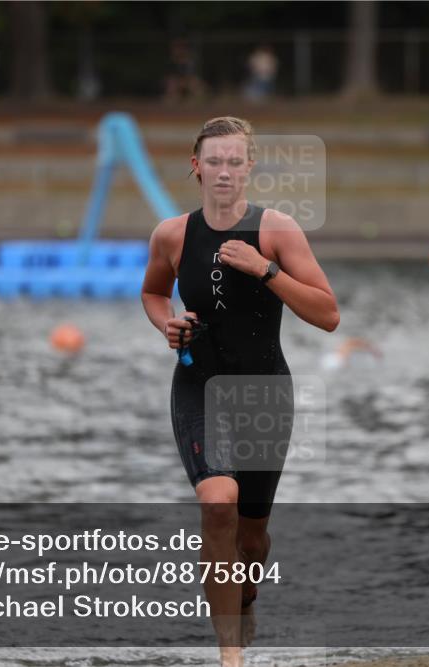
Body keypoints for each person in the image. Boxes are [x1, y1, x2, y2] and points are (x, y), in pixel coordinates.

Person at [141, 116, 339, 666]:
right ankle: (231, 658)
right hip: (198, 385)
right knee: (217, 503)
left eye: (235, 161)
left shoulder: (277, 231)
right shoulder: (171, 234)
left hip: (264, 394)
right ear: (195, 166)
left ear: (249, 167)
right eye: (214, 160)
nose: (224, 171)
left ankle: (246, 593)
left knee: (252, 539)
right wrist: (166, 324)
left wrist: (265, 270)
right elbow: (154, 292)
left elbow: (329, 316)